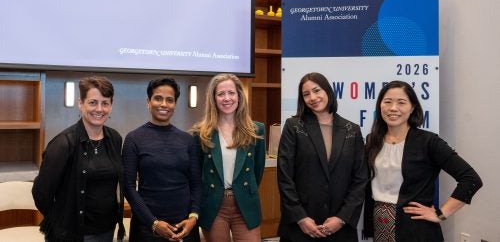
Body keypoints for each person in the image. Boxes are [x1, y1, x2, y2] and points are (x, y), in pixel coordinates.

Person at [363, 80, 483, 242]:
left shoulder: (428, 142)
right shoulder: (373, 140)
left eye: (401, 102)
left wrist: (441, 213)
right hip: (380, 224)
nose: (393, 108)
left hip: (416, 229)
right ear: (380, 106)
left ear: (412, 108)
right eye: (388, 102)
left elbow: (471, 179)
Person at [277, 72, 368, 242]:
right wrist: (300, 217)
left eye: (317, 90)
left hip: (340, 228)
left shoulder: (352, 130)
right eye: (306, 94)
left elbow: (360, 179)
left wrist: (342, 219)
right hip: (301, 228)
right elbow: (285, 176)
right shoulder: (294, 127)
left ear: (327, 91)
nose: (312, 97)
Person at [32, 76, 125, 242]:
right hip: (72, 234)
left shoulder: (115, 139)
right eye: (93, 102)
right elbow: (41, 193)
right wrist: (61, 221)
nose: (99, 109)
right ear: (80, 103)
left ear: (111, 105)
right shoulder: (63, 143)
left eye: (105, 103)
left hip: (106, 230)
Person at [122, 77, 201, 242]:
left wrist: (193, 217)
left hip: (184, 226)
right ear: (148, 102)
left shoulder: (188, 140)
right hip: (147, 228)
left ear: (175, 105)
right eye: (158, 98)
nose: (164, 104)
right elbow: (128, 187)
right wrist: (154, 223)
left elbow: (196, 184)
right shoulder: (134, 139)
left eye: (169, 100)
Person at [191, 73, 266, 242]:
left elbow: (257, 171)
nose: (227, 98)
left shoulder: (256, 130)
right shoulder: (201, 133)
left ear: (239, 96)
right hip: (214, 205)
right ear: (213, 99)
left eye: (231, 93)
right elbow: (196, 175)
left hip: (245, 203)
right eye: (221, 94)